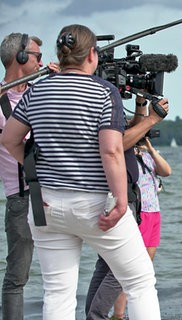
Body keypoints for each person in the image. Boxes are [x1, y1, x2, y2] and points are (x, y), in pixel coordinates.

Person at [0, 24, 165, 319]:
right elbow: (112, 150)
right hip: (93, 203)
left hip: (45, 205)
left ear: (60, 57)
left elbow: (10, 140)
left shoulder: (37, 92)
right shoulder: (104, 91)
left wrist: (36, 172)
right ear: (92, 54)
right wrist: (121, 200)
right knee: (139, 281)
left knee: (58, 292)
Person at [0, 32, 59, 320]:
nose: (41, 61)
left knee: (59, 274)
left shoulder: (41, 91)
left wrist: (59, 82)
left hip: (56, 194)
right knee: (16, 278)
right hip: (21, 198)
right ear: (20, 58)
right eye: (36, 55)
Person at [106, 137, 171, 320]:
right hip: (138, 212)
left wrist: (149, 148)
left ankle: (133, 309)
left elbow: (166, 171)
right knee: (131, 268)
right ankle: (118, 314)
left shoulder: (148, 155)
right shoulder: (126, 155)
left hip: (154, 211)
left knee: (146, 265)